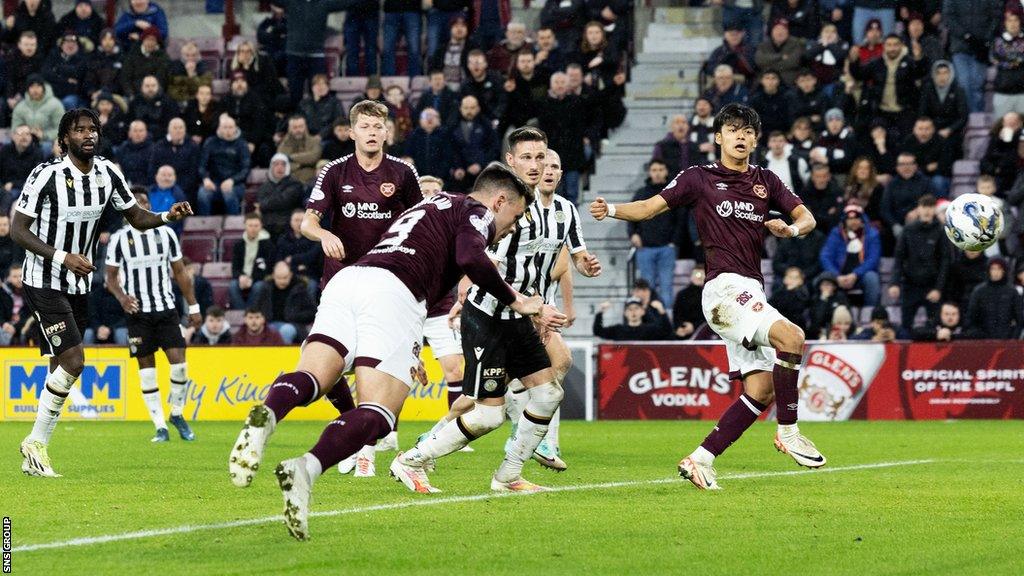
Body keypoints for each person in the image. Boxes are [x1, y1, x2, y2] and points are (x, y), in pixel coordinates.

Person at [229, 163, 546, 541]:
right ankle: (306, 468)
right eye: (515, 215)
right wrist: (518, 300)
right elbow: (469, 257)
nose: (512, 226)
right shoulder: (475, 211)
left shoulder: (430, 204)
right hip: (396, 292)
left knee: (312, 376)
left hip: (349, 280)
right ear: (499, 201)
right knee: (379, 413)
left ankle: (268, 412)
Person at [589, 103, 825, 490]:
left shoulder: (766, 180)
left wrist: (791, 230)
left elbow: (808, 217)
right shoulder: (699, 177)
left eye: (748, 131)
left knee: (761, 390)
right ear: (718, 137)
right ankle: (789, 431)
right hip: (723, 289)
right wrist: (611, 209)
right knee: (793, 337)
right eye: (733, 129)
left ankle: (700, 459)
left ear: (755, 138)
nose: (741, 136)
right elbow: (650, 208)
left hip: (750, 290)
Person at [394, 134, 598, 490]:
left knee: (549, 391)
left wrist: (542, 304)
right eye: (528, 158)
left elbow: (561, 261)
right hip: (488, 317)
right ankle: (412, 458)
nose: (536, 165)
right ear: (511, 161)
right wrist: (514, 303)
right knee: (487, 413)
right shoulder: (499, 209)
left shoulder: (560, 211)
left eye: (541, 157)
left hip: (520, 318)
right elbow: (478, 263)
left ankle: (509, 474)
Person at [12, 108, 191, 477]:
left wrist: (167, 215)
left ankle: (36, 453)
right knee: (75, 362)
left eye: (93, 129)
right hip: (44, 279)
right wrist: (63, 257)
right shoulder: (45, 175)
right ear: (64, 139)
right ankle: (35, 443)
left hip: (78, 282)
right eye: (80, 130)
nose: (89, 135)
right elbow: (18, 230)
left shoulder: (108, 173)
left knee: (58, 366)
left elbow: (137, 217)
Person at [105, 189, 201, 442]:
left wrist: (193, 307)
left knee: (179, 364)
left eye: (145, 202)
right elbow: (110, 278)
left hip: (165, 308)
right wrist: (122, 298)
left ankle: (177, 413)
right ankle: (160, 426)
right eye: (136, 203)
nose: (141, 206)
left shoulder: (166, 233)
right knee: (147, 370)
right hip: (138, 313)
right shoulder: (119, 239)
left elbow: (180, 272)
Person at [271, 0, 355, 106]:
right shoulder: (292, 2)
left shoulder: (324, 3)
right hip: (294, 55)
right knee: (295, 94)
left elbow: (346, 3)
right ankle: (297, 119)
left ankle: (316, 120)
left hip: (316, 56)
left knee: (318, 94)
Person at [889, 195, 948, 336]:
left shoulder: (941, 231)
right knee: (906, 327)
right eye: (924, 207)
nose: (927, 211)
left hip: (932, 286)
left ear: (934, 210)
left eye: (930, 207)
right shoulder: (908, 230)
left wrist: (938, 289)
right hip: (910, 286)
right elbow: (899, 258)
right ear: (918, 209)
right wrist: (894, 282)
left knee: (934, 327)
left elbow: (945, 262)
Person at [629, 160, 681, 305]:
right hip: (645, 248)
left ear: (666, 171)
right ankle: (648, 321)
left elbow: (681, 219)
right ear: (649, 172)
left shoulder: (674, 192)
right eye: (654, 170)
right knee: (647, 288)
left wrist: (674, 242)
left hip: (667, 248)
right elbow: (630, 215)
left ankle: (666, 323)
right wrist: (633, 234)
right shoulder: (641, 193)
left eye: (660, 169)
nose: (657, 173)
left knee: (666, 287)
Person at [944, 0, 1004, 114]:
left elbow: (996, 17)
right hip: (960, 47)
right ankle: (966, 118)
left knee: (977, 85)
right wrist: (966, 36)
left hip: (981, 48)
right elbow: (948, 18)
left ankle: (977, 119)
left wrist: (985, 40)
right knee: (964, 84)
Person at [820, 204, 882, 308]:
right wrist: (836, 275)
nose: (853, 221)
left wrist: (855, 274)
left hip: (860, 276)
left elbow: (873, 259)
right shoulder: (836, 233)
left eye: (856, 218)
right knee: (822, 278)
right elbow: (825, 256)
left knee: (872, 278)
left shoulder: (872, 234)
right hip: (839, 275)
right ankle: (825, 313)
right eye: (850, 219)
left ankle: (870, 313)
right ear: (844, 220)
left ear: (862, 219)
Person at [537, 73, 586, 203]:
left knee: (572, 194)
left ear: (568, 84)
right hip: (551, 158)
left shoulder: (577, 102)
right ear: (551, 85)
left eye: (562, 82)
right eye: (556, 82)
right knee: (554, 195)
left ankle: (572, 222)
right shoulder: (543, 104)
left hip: (572, 157)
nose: (559, 85)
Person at [250, 261, 315, 344]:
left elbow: (312, 312)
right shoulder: (266, 288)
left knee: (286, 330)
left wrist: (294, 317)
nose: (282, 281)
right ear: (273, 275)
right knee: (268, 330)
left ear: (290, 275)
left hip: (293, 325)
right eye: (279, 278)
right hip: (270, 323)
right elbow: (256, 309)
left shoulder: (300, 289)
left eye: (285, 278)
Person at [198, 114, 251, 215]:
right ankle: (204, 226)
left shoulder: (242, 144)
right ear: (219, 128)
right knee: (202, 194)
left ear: (236, 128)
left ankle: (233, 225)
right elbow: (202, 165)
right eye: (225, 127)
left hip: (236, 183)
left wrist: (232, 180)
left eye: (230, 127)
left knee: (229, 194)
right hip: (214, 182)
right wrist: (205, 179)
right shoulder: (210, 142)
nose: (228, 130)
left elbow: (245, 168)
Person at [450, 95, 499, 191]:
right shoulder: (452, 126)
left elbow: (494, 148)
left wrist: (480, 164)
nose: (469, 111)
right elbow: (451, 150)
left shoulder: (486, 125)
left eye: (472, 108)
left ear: (478, 108)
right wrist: (458, 167)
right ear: (460, 109)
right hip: (461, 174)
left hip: (483, 172)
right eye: (466, 108)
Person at [965, 258, 1021, 339]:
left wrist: (1013, 338)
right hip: (983, 341)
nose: (996, 272)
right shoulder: (979, 291)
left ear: (1004, 271)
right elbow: (971, 318)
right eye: (993, 268)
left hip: (1007, 340)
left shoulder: (1012, 291)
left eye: (999, 268)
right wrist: (977, 335)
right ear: (988, 270)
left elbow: (1019, 319)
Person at [230, 213, 276, 310]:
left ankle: (250, 312)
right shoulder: (238, 245)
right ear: (245, 226)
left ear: (261, 226)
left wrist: (252, 279)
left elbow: (268, 269)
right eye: (250, 225)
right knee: (233, 285)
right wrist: (241, 277)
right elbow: (235, 268)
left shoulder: (268, 245)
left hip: (259, 278)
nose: (253, 228)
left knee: (259, 286)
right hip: (243, 277)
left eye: (256, 226)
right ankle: (242, 314)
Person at [881, 152, 933, 236]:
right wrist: (894, 225)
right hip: (897, 223)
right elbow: (885, 209)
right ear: (897, 167)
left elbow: (931, 201)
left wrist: (918, 211)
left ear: (915, 166)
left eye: (909, 164)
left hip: (919, 220)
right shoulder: (891, 184)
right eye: (902, 164)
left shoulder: (925, 181)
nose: (906, 167)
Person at [148, 118, 200, 199]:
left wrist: (177, 188)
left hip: (185, 188)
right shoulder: (159, 146)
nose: (178, 131)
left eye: (180, 128)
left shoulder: (192, 147)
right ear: (169, 130)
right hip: (161, 185)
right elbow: (153, 169)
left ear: (185, 130)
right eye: (175, 128)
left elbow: (193, 172)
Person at [901, 117, 951, 198]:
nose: (923, 132)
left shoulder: (942, 141)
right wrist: (927, 168)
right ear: (914, 129)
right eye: (920, 129)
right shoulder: (908, 142)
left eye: (927, 129)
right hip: (916, 174)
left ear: (933, 129)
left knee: (938, 181)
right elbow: (906, 164)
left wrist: (920, 167)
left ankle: (941, 206)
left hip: (938, 175)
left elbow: (945, 164)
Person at [12, 75, 63, 154]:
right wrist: (26, 133)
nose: (35, 90)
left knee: (44, 148)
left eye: (38, 86)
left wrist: (44, 135)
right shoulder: (20, 107)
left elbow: (62, 130)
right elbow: (15, 129)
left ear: (43, 88)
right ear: (27, 89)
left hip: (48, 142)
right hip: (25, 141)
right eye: (32, 87)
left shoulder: (55, 104)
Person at [257, 154, 305, 237]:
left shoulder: (295, 184)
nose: (280, 167)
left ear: (288, 167)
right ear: (271, 167)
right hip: (267, 226)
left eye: (283, 164)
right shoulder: (264, 186)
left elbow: (283, 202)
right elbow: (261, 204)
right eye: (276, 164)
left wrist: (266, 203)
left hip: (287, 227)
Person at [0, 125, 44, 215]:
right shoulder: (5, 150)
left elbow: (36, 178)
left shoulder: (37, 153)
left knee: (9, 197)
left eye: (27, 134)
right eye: (20, 134)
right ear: (13, 136)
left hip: (25, 189)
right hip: (5, 187)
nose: (24, 137)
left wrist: (13, 184)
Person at [43, 33, 88, 111]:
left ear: (78, 46)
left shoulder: (83, 58)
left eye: (73, 43)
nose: (70, 45)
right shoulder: (53, 55)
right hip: (54, 93)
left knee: (68, 103)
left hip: (74, 95)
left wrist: (57, 69)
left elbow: (77, 73)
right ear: (61, 45)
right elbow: (46, 73)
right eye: (67, 43)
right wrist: (66, 80)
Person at [120, 27, 170, 98]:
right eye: (147, 39)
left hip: (156, 94)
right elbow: (125, 78)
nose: (150, 43)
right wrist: (131, 94)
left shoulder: (163, 57)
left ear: (157, 42)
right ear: (143, 40)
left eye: (153, 40)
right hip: (135, 94)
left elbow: (162, 79)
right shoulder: (132, 55)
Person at [405, 108, 454, 179]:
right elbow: (408, 155)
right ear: (420, 120)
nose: (429, 119)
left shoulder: (445, 135)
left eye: (433, 116)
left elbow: (448, 157)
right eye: (426, 116)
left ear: (439, 120)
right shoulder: (414, 135)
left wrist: (440, 175)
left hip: (441, 178)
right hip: (418, 178)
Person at [992, 10, 1024, 119]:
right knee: (1000, 128)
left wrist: (1008, 61)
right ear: (1005, 23)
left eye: (1016, 20)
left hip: (1022, 92)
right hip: (1003, 91)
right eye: (1009, 20)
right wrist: (1017, 60)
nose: (1013, 23)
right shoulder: (997, 42)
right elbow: (995, 60)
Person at [593, 296, 672, 340]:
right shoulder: (618, 330)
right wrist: (601, 312)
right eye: (630, 309)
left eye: (636, 308)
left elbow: (667, 331)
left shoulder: (650, 329)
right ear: (625, 313)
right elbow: (598, 331)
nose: (633, 312)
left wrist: (661, 310)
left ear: (642, 311)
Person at [128, 75, 180, 141]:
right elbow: (129, 121)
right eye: (147, 86)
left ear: (158, 86)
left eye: (153, 86)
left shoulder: (168, 101)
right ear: (142, 87)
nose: (150, 89)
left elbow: (172, 121)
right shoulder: (135, 102)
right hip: (139, 137)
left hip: (162, 138)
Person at [754, 19, 804, 87]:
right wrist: (780, 57)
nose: (780, 32)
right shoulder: (763, 44)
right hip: (767, 80)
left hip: (788, 80)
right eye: (777, 29)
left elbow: (793, 62)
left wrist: (768, 65)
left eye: (783, 29)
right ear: (772, 31)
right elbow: (759, 61)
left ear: (787, 31)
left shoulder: (796, 43)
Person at [277, 115, 322, 186]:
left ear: (305, 127)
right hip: (290, 180)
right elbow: (282, 161)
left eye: (301, 126)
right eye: (295, 127)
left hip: (310, 179)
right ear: (290, 128)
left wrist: (291, 158)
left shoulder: (314, 141)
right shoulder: (284, 144)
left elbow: (313, 157)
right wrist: (302, 164)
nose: (298, 130)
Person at [382, 0, 423, 76]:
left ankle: (415, 81)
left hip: (412, 10)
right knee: (387, 49)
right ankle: (389, 82)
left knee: (414, 49)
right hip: (391, 10)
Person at [762, 131, 809, 197]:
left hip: (793, 204)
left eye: (780, 141)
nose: (777, 144)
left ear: (785, 143)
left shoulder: (797, 162)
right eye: (774, 141)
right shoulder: (763, 165)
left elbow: (806, 183)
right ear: (769, 144)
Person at [147, 166, 187, 236]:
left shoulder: (179, 195)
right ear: (156, 177)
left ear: (175, 178)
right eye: (163, 175)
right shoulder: (148, 192)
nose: (166, 178)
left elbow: (178, 220)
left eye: (170, 175)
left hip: (168, 232)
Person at [342, 0, 380, 76]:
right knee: (352, 51)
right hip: (352, 13)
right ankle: (352, 83)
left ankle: (373, 84)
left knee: (371, 51)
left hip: (371, 12)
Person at [768, 267, 810, 332]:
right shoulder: (777, 294)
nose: (793, 280)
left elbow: (798, 311)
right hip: (779, 326)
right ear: (785, 279)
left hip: (798, 329)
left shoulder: (804, 295)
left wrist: (792, 291)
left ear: (801, 281)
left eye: (796, 278)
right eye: (790, 277)